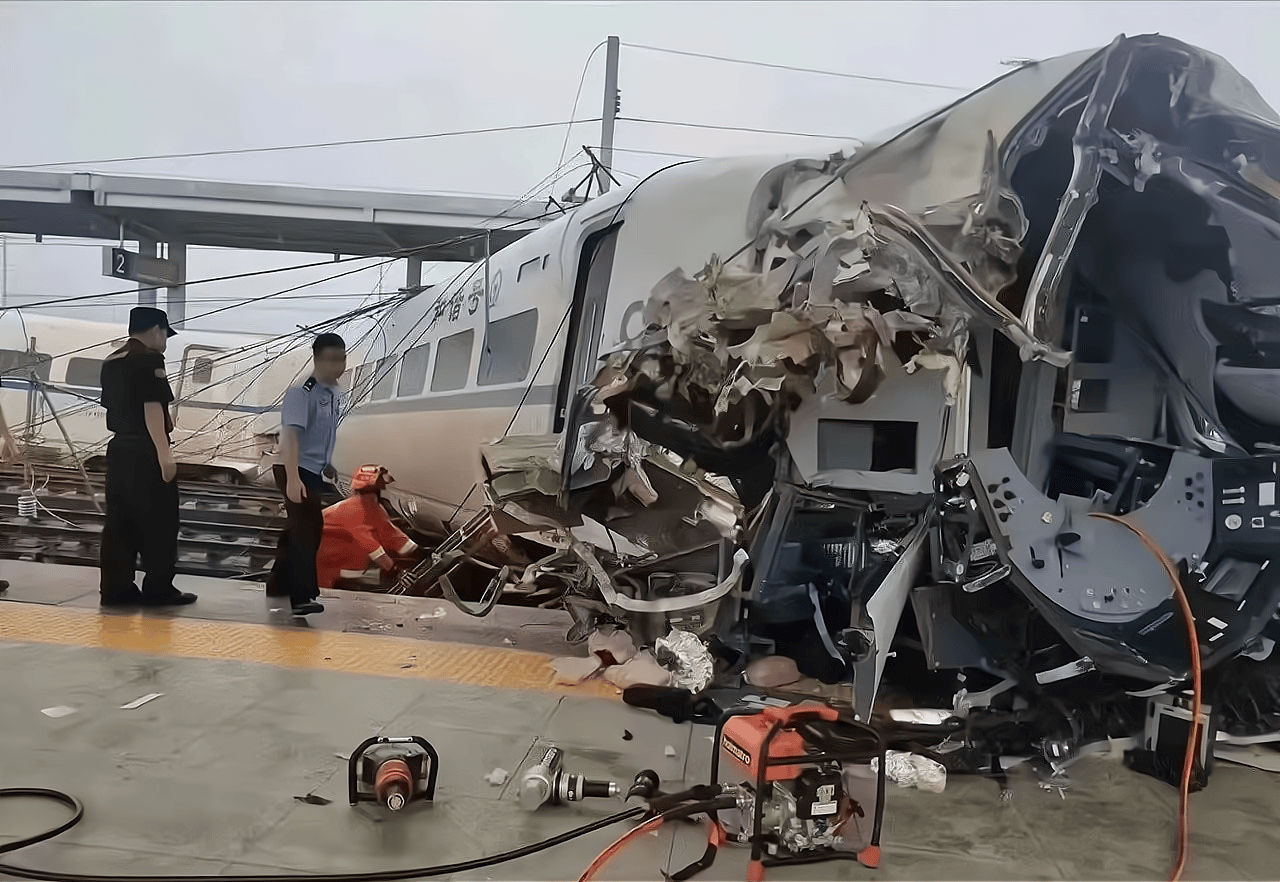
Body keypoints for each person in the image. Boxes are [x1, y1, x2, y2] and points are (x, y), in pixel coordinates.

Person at [98, 306, 196, 607]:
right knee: (160, 522)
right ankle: (158, 588)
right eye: (165, 333)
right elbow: (152, 407)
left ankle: (116, 588)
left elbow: (114, 407)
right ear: (156, 330)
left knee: (119, 521)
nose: (165, 340)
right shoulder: (150, 359)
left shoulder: (112, 360)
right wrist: (164, 455)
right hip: (146, 450)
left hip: (118, 450)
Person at [266, 332, 346, 616]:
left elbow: (322, 435)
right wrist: (294, 478)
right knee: (307, 532)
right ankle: (301, 598)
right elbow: (291, 437)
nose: (339, 366)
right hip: (294, 467)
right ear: (317, 360)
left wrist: (328, 462)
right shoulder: (302, 392)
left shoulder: (331, 394)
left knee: (297, 528)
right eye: (332, 360)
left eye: (342, 358)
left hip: (312, 468)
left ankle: (277, 585)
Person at [316, 465, 420, 592]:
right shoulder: (353, 510)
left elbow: (391, 534)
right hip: (324, 563)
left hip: (341, 560)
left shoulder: (375, 509)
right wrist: (396, 572)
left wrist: (419, 552)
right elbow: (371, 547)